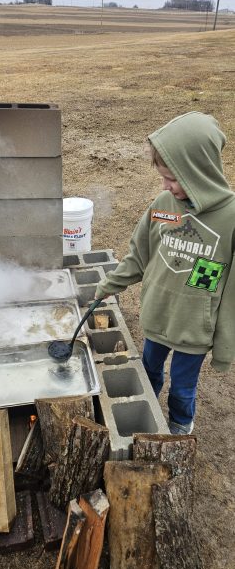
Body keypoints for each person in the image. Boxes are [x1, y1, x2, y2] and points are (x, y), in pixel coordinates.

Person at [94, 111, 235, 435]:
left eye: (173, 179)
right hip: (158, 318)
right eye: (163, 177)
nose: (166, 186)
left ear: (200, 170)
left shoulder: (230, 218)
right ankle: (146, 423)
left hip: (193, 330)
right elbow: (140, 254)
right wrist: (110, 285)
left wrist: (225, 345)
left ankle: (179, 430)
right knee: (148, 374)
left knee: (183, 390)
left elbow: (231, 291)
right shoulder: (163, 204)